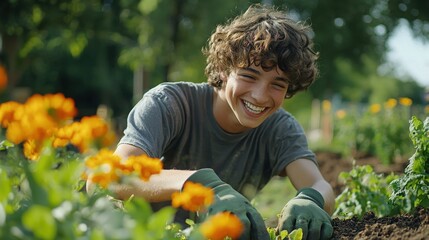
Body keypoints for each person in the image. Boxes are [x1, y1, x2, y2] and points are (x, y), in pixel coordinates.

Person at [88, 4, 335, 240]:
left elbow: (319, 184)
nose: (260, 95)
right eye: (249, 76)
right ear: (225, 70)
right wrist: (198, 182)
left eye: (278, 84)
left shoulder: (280, 128)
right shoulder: (170, 104)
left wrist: (311, 198)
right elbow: (111, 176)